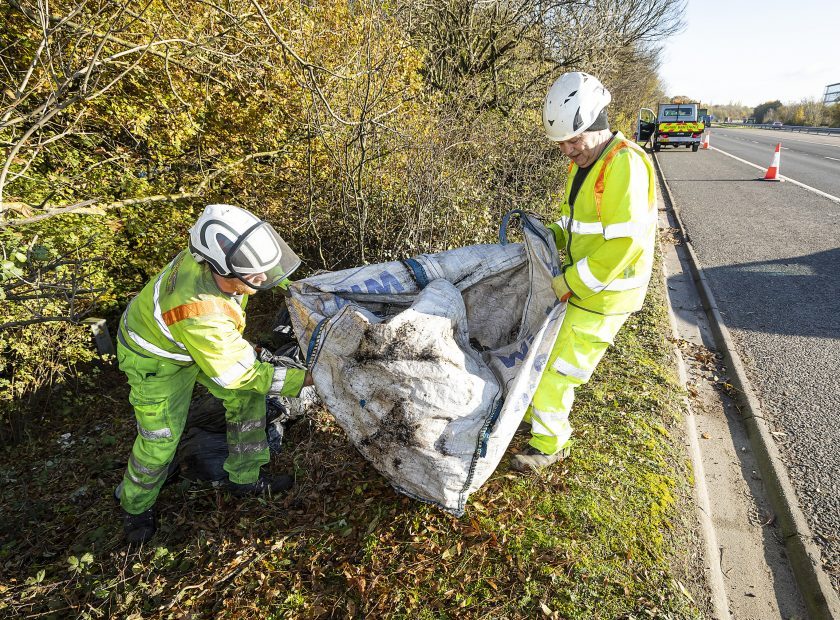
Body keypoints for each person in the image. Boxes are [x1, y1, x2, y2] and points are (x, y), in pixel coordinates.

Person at [116, 204, 312, 543]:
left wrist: (300, 291)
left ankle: (245, 479)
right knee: (160, 440)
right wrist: (308, 378)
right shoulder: (198, 308)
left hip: (195, 339)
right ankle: (134, 507)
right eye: (252, 276)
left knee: (246, 400)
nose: (261, 280)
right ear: (221, 269)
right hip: (155, 360)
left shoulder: (214, 258)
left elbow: (259, 279)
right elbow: (243, 375)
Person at [510, 72, 656, 472]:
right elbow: (575, 223)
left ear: (598, 124)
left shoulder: (624, 165)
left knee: (556, 371)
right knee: (543, 358)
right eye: (561, 144)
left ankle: (549, 445)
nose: (568, 151)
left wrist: (569, 283)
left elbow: (624, 244)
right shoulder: (587, 163)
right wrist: (547, 235)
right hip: (587, 290)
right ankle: (536, 417)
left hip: (605, 296)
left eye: (574, 141)